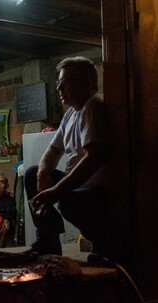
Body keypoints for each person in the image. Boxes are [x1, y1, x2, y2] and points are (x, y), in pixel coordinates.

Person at [24, 56, 108, 256]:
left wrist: (57, 190)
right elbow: (53, 150)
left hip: (96, 190)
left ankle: (104, 243)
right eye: (58, 83)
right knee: (31, 174)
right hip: (77, 186)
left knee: (68, 201)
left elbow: (94, 157)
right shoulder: (71, 113)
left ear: (86, 83)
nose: (59, 89)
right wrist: (43, 174)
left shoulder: (92, 106)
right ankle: (48, 239)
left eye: (65, 82)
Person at [0, 174, 17, 247]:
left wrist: (7, 220)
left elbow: (10, 212)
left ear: (7, 186)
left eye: (2, 182)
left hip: (3, 236)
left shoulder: (10, 200)